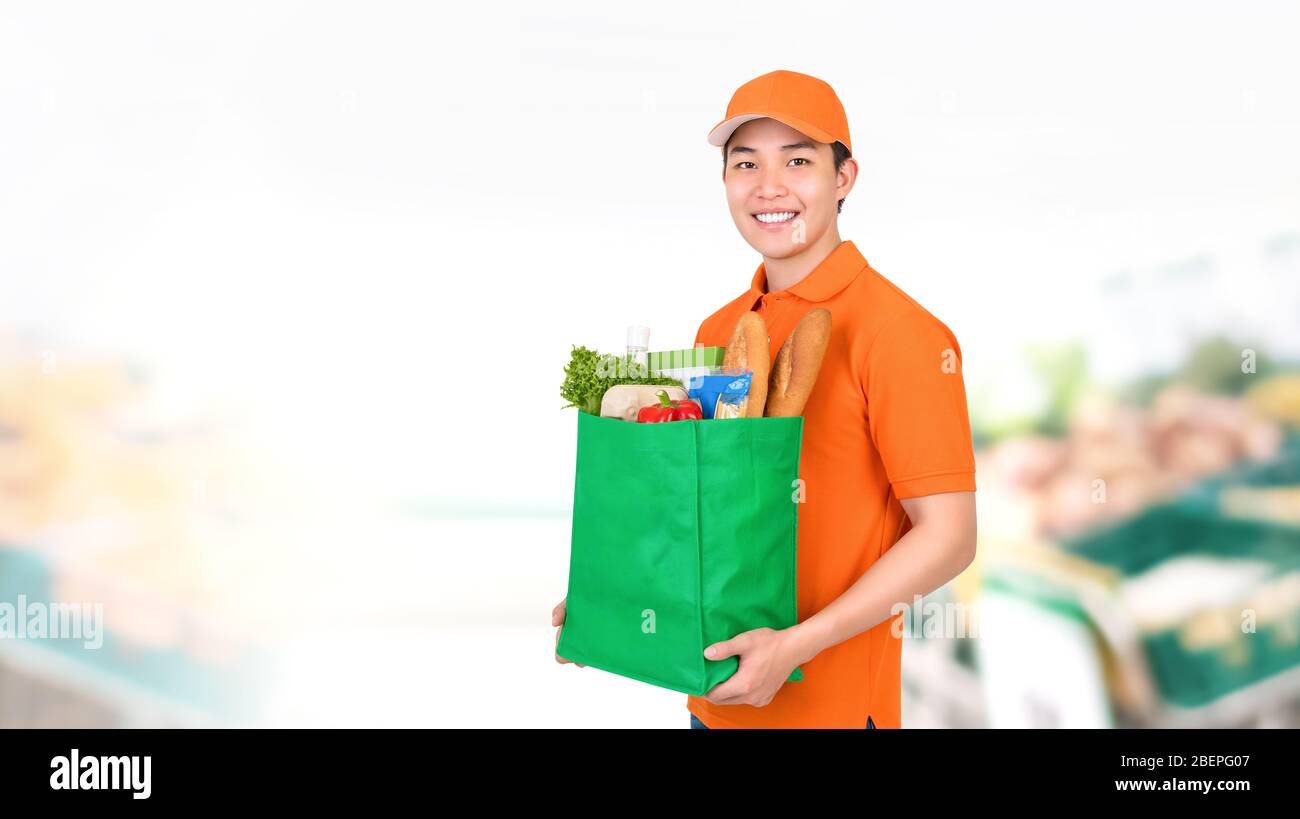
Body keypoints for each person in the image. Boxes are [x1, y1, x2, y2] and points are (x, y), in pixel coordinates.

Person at [556, 70, 977, 729]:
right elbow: (698, 517)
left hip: (831, 713)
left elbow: (949, 537)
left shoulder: (902, 333)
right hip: (712, 703)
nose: (768, 186)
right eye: (745, 162)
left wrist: (795, 645)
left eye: (798, 161)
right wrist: (619, 596)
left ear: (844, 178)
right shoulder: (718, 332)